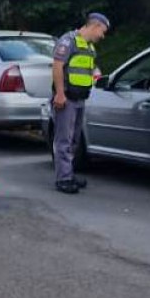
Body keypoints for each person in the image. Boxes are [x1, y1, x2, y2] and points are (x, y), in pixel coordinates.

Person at [52, 13, 110, 194]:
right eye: (102, 31)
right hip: (67, 98)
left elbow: (90, 69)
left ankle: (68, 174)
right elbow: (57, 66)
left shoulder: (90, 47)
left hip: (80, 99)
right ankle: (63, 179)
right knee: (64, 140)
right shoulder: (68, 41)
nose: (103, 36)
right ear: (94, 26)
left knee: (75, 140)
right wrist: (60, 94)